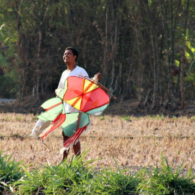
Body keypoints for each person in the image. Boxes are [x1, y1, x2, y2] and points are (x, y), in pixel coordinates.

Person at [57, 47, 101, 160]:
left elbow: (89, 85)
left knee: (72, 135)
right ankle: (73, 163)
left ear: (74, 57)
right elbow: (59, 89)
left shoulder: (80, 71)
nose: (65, 56)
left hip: (77, 108)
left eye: (68, 54)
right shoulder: (64, 73)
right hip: (66, 108)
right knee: (66, 135)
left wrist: (95, 79)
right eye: (64, 54)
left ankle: (72, 162)